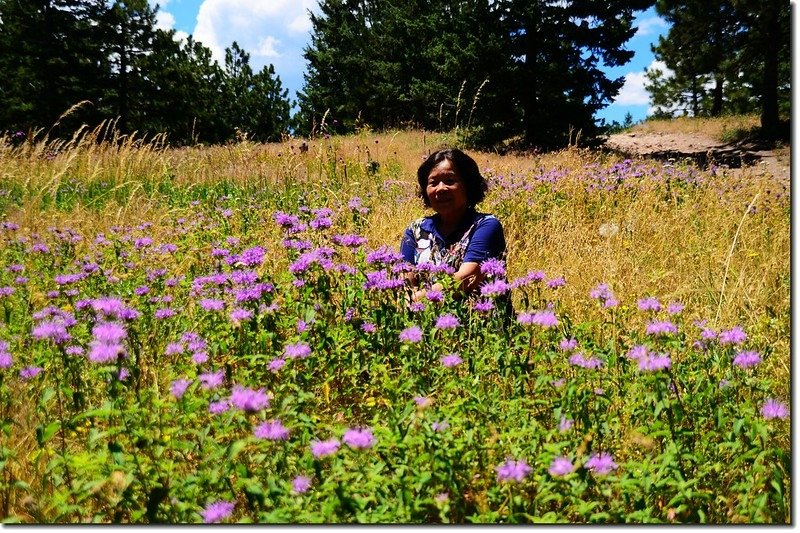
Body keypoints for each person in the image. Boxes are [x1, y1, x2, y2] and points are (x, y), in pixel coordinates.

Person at [400, 148, 506, 302]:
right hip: (424, 321)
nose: (441, 188)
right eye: (433, 183)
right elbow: (405, 281)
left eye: (450, 181)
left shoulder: (486, 226)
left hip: (476, 321)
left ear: (468, 185)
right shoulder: (416, 230)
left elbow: (466, 279)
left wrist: (415, 301)